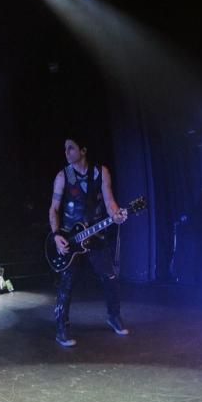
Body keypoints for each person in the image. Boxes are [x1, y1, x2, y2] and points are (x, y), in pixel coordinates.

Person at [48, 137, 129, 347]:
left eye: (71, 148)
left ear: (83, 150)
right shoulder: (63, 176)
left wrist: (117, 214)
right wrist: (56, 235)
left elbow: (109, 202)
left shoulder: (101, 172)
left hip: (95, 234)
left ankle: (114, 316)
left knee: (110, 277)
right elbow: (54, 209)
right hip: (71, 238)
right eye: (65, 149)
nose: (66, 152)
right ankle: (61, 327)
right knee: (67, 283)